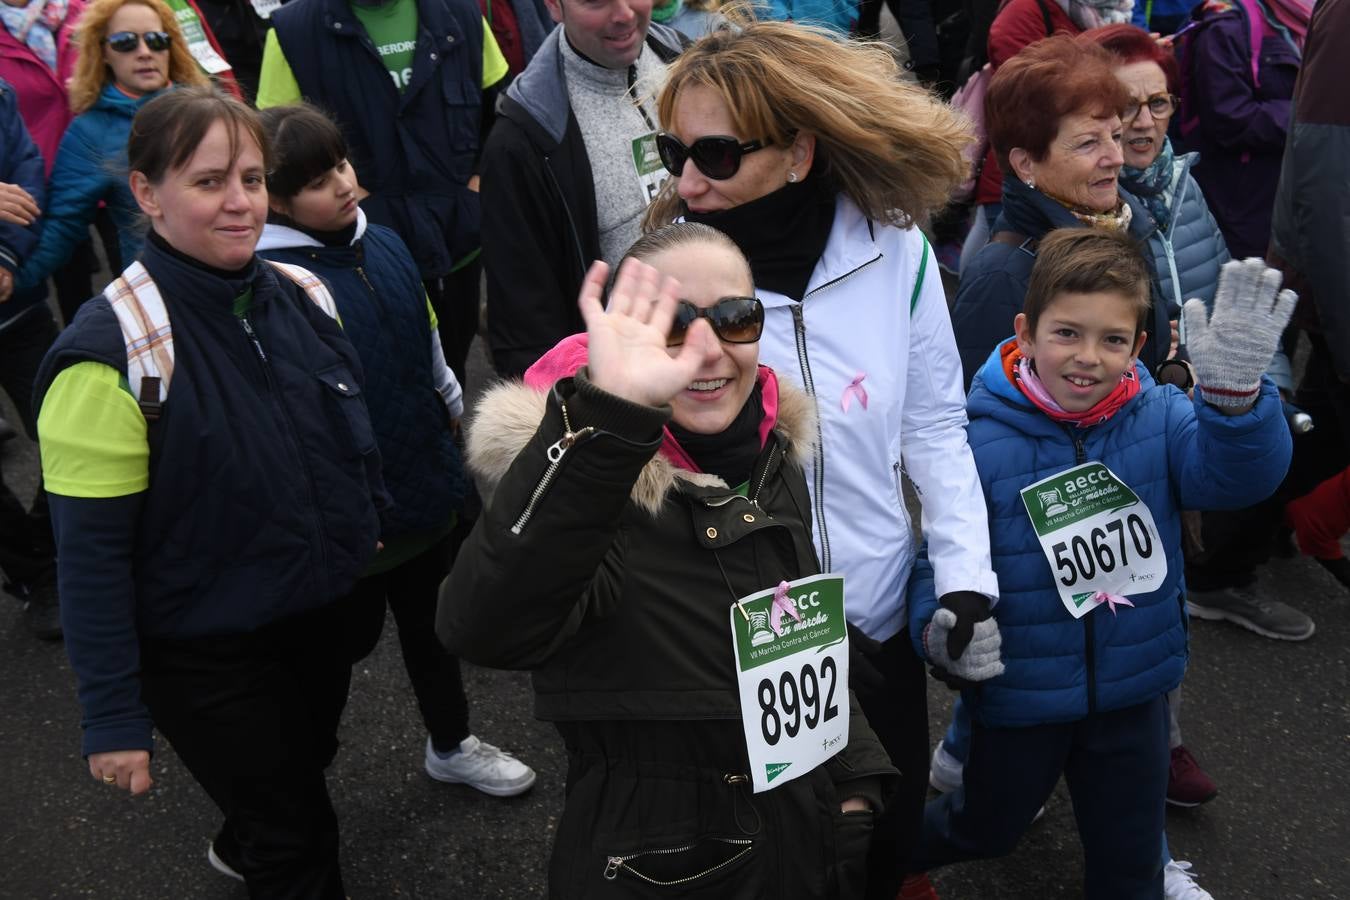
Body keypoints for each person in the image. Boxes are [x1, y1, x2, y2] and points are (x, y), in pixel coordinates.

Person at [644, 22, 999, 899]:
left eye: (717, 155)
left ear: (800, 152)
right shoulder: (663, 279)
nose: (686, 181)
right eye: (673, 151)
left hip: (879, 628)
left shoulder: (898, 249)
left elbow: (936, 424)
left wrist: (962, 574)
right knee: (773, 868)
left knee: (883, 849)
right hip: (745, 645)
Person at [437, 222, 897, 898]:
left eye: (736, 318)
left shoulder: (774, 451)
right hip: (666, 864)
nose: (709, 352)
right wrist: (612, 422)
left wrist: (854, 778)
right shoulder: (589, 491)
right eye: (674, 324)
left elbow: (801, 627)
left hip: (803, 830)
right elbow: (481, 627)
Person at [34, 87, 384, 897]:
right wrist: (113, 718)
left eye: (254, 180)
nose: (240, 203)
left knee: (298, 775)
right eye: (209, 181)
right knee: (301, 840)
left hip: (313, 621)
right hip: (206, 655)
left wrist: (363, 522)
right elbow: (89, 563)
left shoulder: (301, 294)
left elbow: (347, 434)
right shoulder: (106, 359)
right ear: (148, 194)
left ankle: (250, 824)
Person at [911, 229, 1294, 899]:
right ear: (1025, 333)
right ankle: (874, 854)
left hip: (1133, 692)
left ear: (1139, 346)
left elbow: (1234, 482)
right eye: (1067, 334)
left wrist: (1235, 409)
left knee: (1130, 860)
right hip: (1022, 696)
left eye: (1113, 340)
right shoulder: (974, 441)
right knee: (985, 828)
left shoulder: (1163, 417)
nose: (1088, 358)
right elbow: (934, 562)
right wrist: (939, 627)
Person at [255, 103, 536, 797]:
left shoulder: (381, 240)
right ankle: (280, 800)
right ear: (277, 202)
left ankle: (452, 742)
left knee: (432, 631)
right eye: (319, 181)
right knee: (330, 659)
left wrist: (450, 421)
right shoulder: (270, 288)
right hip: (351, 517)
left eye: (342, 164)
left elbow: (428, 339)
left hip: (423, 482)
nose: (344, 184)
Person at [256, 0, 509, 383]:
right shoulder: (292, 31)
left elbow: (496, 117)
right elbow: (278, 146)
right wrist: (363, 203)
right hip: (362, 252)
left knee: (453, 362)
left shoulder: (462, 11)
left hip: (460, 241)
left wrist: (475, 193)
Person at [951, 34, 1174, 389]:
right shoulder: (1002, 277)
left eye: (1115, 136)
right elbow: (983, 415)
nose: (1116, 158)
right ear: (1026, 164)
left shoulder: (1124, 224)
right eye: (1088, 143)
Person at [479, 0, 686, 378]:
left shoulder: (687, 62)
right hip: (628, 387)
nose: (623, 14)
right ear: (554, 7)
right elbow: (526, 326)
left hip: (724, 341)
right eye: (595, 1)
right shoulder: (524, 141)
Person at [15, 0, 209, 295]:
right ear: (102, 51)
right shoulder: (90, 132)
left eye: (156, 40)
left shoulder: (210, 110)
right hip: (163, 294)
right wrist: (13, 280)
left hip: (241, 276)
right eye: (125, 42)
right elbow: (62, 227)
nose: (144, 52)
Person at [1177, 0, 1310, 259]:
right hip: (1246, 202)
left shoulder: (1311, 19)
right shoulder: (1224, 28)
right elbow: (1229, 118)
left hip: (1295, 190)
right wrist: (1307, 115)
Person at [0, 78, 60, 640]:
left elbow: (24, 181)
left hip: (15, 311)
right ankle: (32, 571)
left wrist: (6, 257)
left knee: (67, 430)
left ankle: (51, 556)